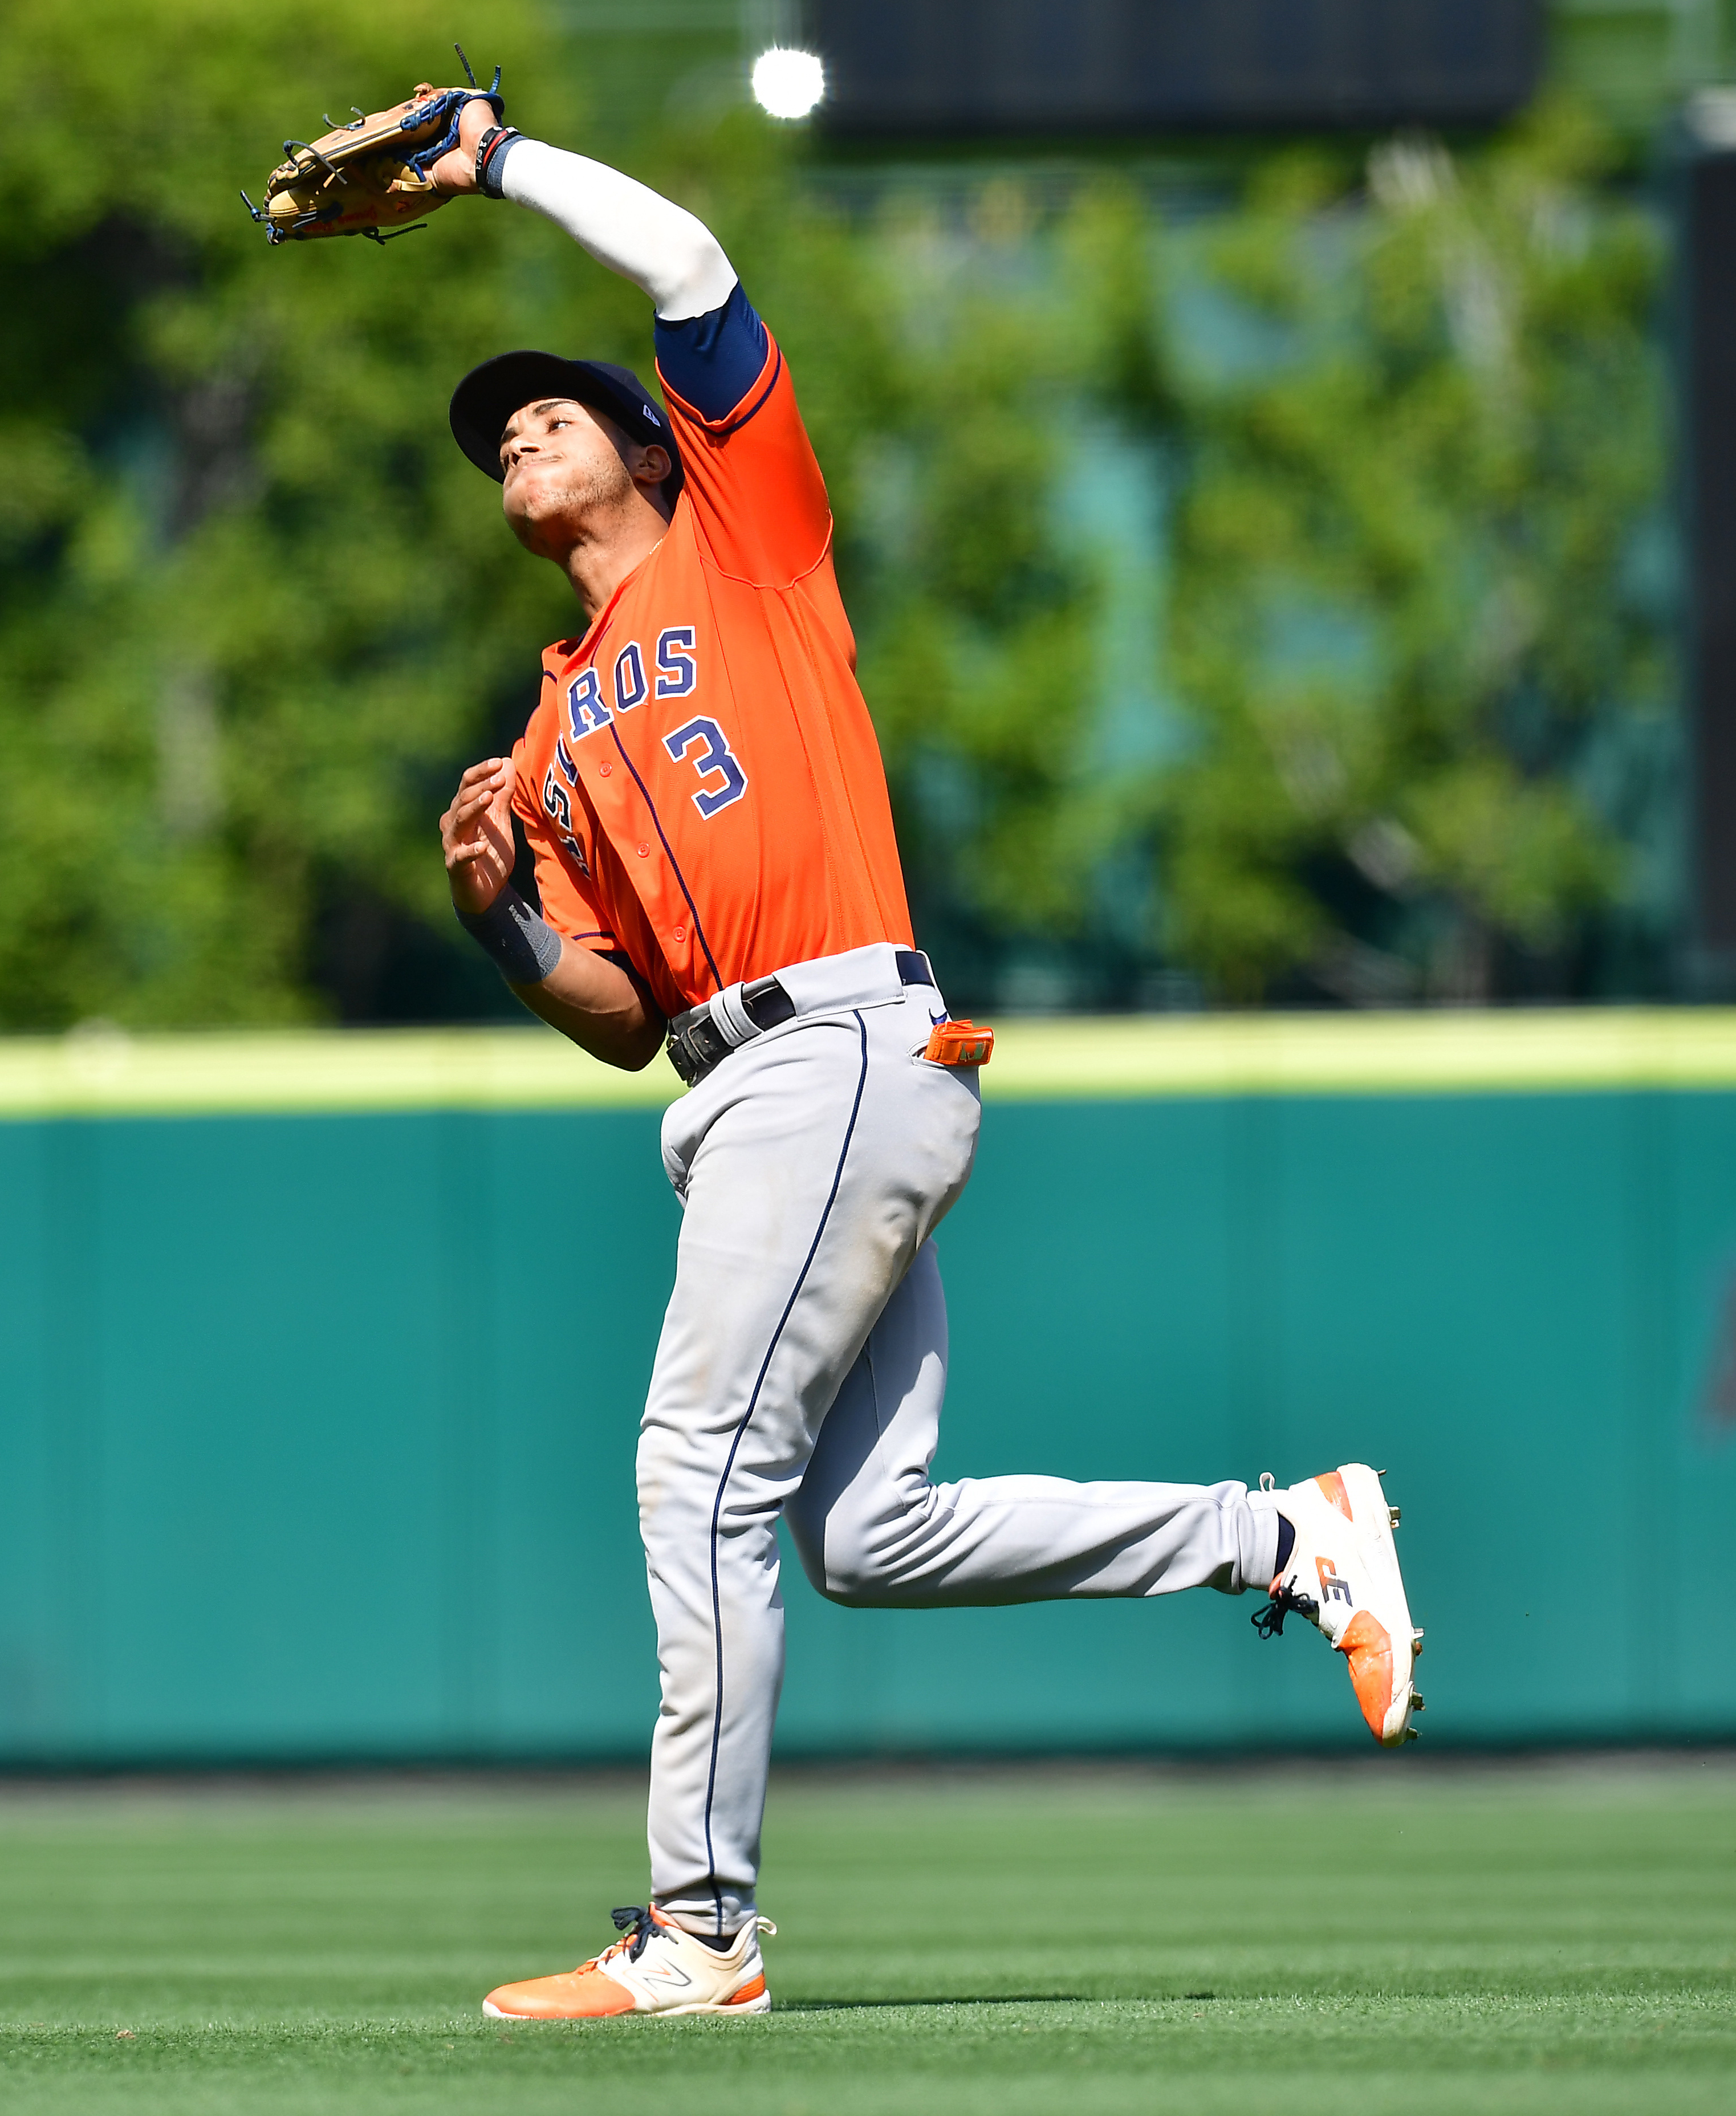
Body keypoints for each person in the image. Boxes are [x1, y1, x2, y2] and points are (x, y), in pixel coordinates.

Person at [421, 103, 1420, 2023]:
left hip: (842, 1045)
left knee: (695, 1475)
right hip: (733, 1095)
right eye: (495, 436)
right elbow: (622, 1018)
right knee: (868, 1534)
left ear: (649, 446)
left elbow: (692, 267)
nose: (519, 435)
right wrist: (498, 920)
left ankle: (699, 1930)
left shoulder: (750, 540)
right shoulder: (539, 741)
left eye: (549, 408)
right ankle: (1291, 1536)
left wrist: (499, 162)